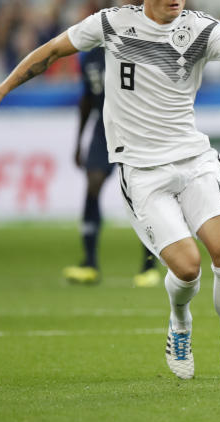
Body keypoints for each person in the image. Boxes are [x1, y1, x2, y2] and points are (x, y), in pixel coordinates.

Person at [0, 0, 220, 382]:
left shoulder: (203, 29)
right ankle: (179, 320)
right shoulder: (112, 23)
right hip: (142, 171)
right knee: (187, 269)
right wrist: (0, 91)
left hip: (194, 159)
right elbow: (52, 51)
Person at [62, 47, 161, 288]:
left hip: (136, 126)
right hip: (103, 126)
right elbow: (87, 98)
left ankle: (149, 265)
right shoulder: (91, 57)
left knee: (141, 193)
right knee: (93, 184)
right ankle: (90, 263)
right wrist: (79, 141)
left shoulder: (133, 48)